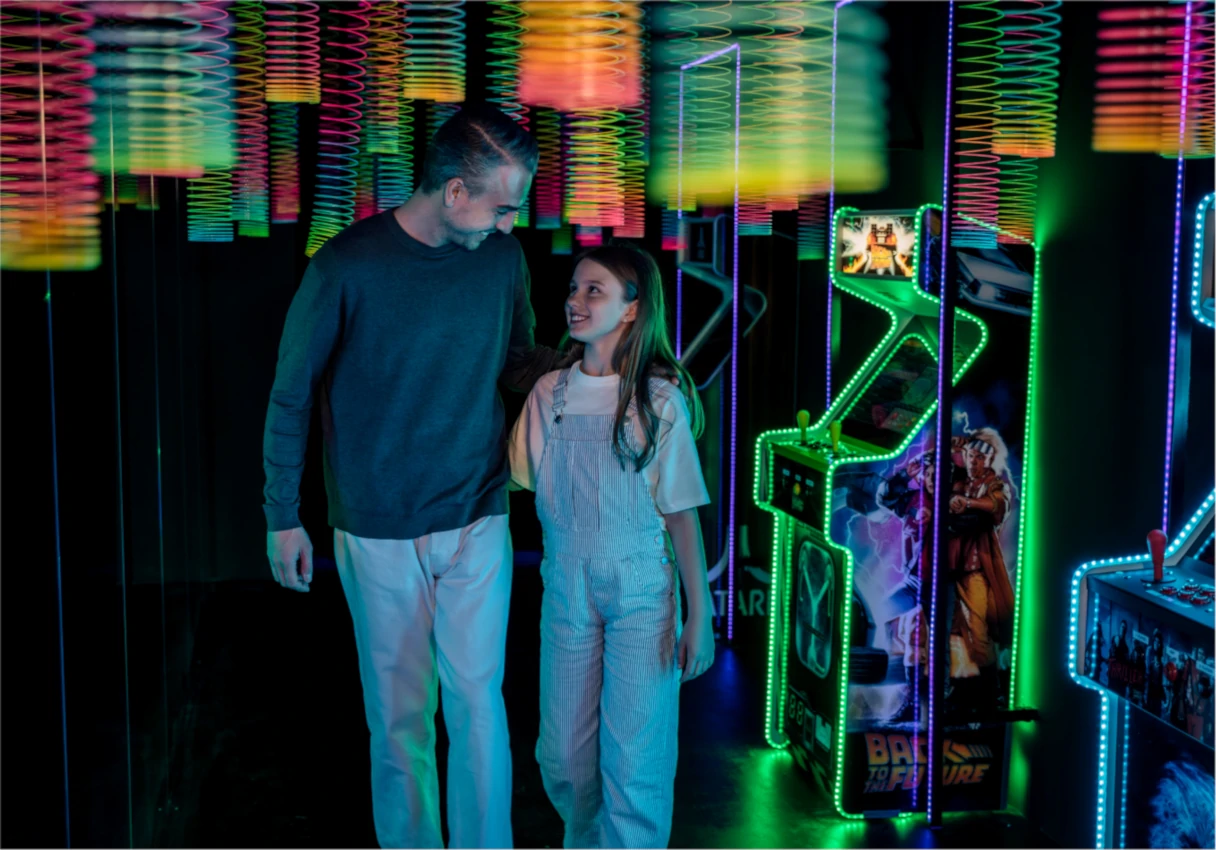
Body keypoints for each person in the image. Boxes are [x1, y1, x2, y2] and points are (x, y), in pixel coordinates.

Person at [262, 104, 572, 849]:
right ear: (454, 192)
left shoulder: (501, 260)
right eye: (502, 206)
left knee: (476, 705)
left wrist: (595, 369)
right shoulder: (345, 265)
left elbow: (516, 361)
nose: (508, 224)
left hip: (477, 512)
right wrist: (281, 515)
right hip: (376, 525)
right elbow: (291, 392)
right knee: (400, 720)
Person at [508, 241, 715, 848]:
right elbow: (519, 480)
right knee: (564, 758)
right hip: (567, 586)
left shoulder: (659, 401)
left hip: (644, 594)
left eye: (593, 290)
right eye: (573, 289)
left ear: (632, 309)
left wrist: (699, 616)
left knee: (637, 759)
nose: (575, 300)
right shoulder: (549, 396)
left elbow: (681, 518)